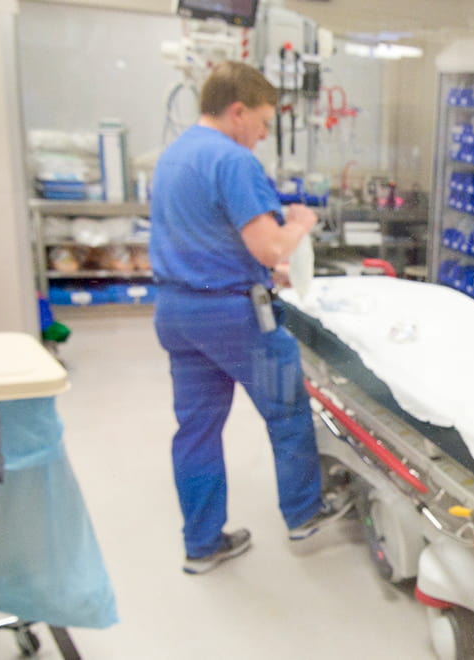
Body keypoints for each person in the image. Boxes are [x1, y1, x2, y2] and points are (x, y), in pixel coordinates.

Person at [149, 61, 350, 575]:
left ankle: (202, 544)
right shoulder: (233, 161)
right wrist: (300, 224)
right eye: (262, 122)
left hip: (178, 314)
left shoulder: (174, 156)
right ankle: (305, 513)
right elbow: (269, 246)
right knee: (286, 410)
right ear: (237, 112)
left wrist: (263, 269)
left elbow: (208, 237)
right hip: (234, 320)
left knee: (195, 431)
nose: (263, 135)